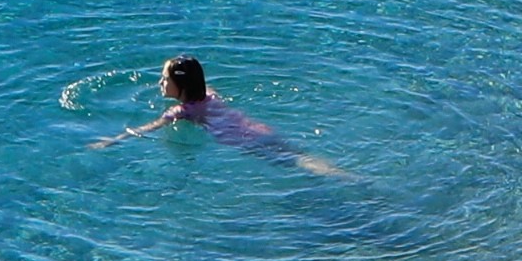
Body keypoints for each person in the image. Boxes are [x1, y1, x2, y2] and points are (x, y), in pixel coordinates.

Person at [91, 55, 349, 177]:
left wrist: (111, 141)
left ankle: (344, 179)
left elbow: (146, 129)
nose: (160, 83)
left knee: (296, 164)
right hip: (259, 129)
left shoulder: (180, 112)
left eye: (165, 78)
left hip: (244, 142)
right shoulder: (211, 94)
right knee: (300, 157)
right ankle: (345, 174)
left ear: (179, 87)